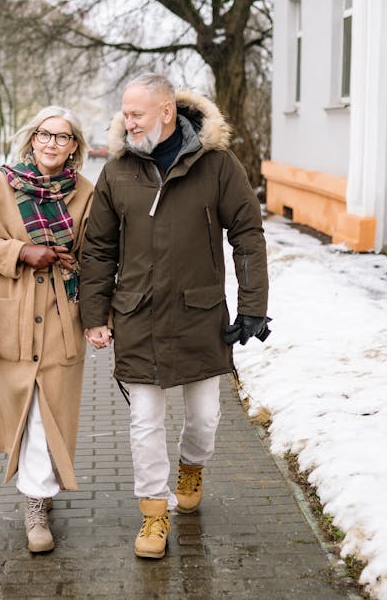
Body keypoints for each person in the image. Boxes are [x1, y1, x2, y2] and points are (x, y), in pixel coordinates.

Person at [80, 73, 270, 559]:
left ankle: (191, 465)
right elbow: (99, 248)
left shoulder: (217, 165)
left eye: (137, 113)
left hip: (199, 314)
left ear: (167, 112)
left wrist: (252, 306)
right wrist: (94, 313)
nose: (128, 121)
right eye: (125, 112)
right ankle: (153, 513)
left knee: (204, 417)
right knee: (145, 420)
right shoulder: (118, 171)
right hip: (138, 315)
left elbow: (247, 233)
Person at [0, 106, 93, 553]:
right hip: (11, 313)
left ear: (75, 146)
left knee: (51, 407)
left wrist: (100, 316)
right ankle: (36, 499)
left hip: (62, 313)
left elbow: (96, 256)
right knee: (28, 407)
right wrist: (21, 251)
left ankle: (38, 495)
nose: (52, 143)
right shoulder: (0, 187)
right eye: (44, 135)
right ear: (31, 139)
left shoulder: (86, 194)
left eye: (62, 137)